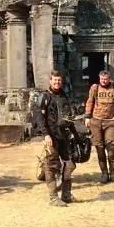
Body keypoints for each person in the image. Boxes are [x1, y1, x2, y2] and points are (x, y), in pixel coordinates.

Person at [35, 70, 78, 206]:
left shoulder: (64, 96)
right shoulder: (45, 97)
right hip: (51, 136)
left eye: (59, 80)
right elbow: (39, 117)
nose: (57, 82)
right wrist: (46, 134)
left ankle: (66, 195)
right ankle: (53, 197)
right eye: (55, 80)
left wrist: (76, 134)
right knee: (51, 166)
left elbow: (69, 117)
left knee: (69, 165)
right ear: (50, 81)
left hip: (64, 136)